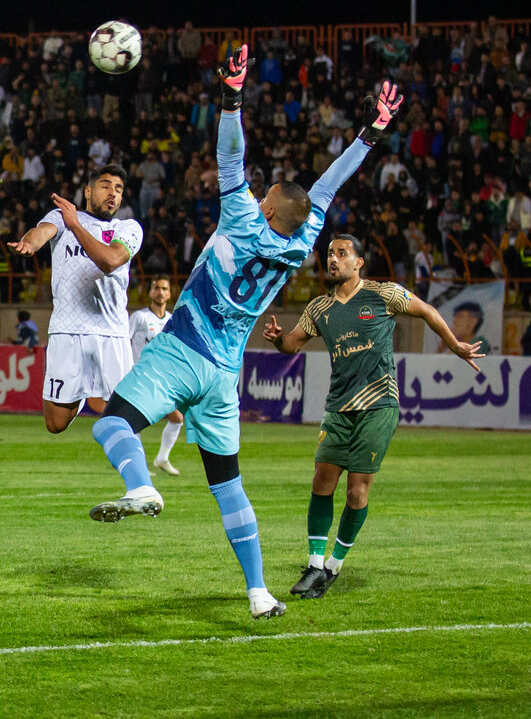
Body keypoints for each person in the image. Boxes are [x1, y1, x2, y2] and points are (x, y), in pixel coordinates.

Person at [85, 45, 404, 620]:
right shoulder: (301, 241)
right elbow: (327, 188)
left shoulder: (243, 219)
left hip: (184, 348)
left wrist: (231, 99)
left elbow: (229, 159)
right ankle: (259, 592)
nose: (255, 196)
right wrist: (370, 135)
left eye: (264, 197)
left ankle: (141, 486)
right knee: (227, 484)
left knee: (112, 422)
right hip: (225, 375)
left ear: (269, 209)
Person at [264, 235, 483, 599]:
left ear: (359, 262)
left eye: (342, 254)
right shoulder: (319, 308)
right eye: (330, 254)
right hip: (338, 407)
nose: (333, 260)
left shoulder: (384, 294)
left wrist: (454, 344)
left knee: (357, 490)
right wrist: (276, 339)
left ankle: (333, 566)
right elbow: (292, 344)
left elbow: (427, 310)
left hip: (379, 406)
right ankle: (314, 566)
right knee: (322, 481)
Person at [8, 165, 141, 433]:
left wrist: (76, 225)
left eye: (118, 189)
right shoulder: (62, 216)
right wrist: (29, 243)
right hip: (66, 331)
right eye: (105, 186)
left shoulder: (127, 228)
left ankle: (133, 469)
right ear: (88, 191)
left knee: (125, 424)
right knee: (55, 424)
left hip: (111, 334)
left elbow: (110, 261)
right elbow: (41, 232)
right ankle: (82, 391)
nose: (112, 193)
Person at [128, 274, 185, 476]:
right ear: (150, 292)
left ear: (170, 294)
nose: (160, 292)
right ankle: (138, 464)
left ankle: (162, 459)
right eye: (157, 288)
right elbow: (124, 342)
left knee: (177, 419)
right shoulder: (139, 317)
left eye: (164, 289)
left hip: (162, 380)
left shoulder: (172, 320)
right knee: (136, 421)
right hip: (140, 377)